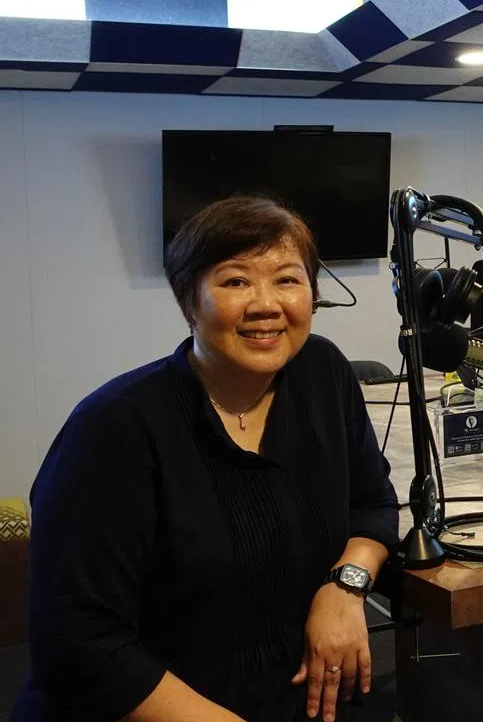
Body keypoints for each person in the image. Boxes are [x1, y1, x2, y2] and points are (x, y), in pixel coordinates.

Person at [13, 196, 400, 722]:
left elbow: (373, 503)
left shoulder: (323, 373)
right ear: (189, 302)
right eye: (236, 281)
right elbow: (77, 644)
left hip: (297, 696)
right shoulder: (113, 429)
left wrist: (345, 586)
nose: (266, 304)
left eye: (288, 280)